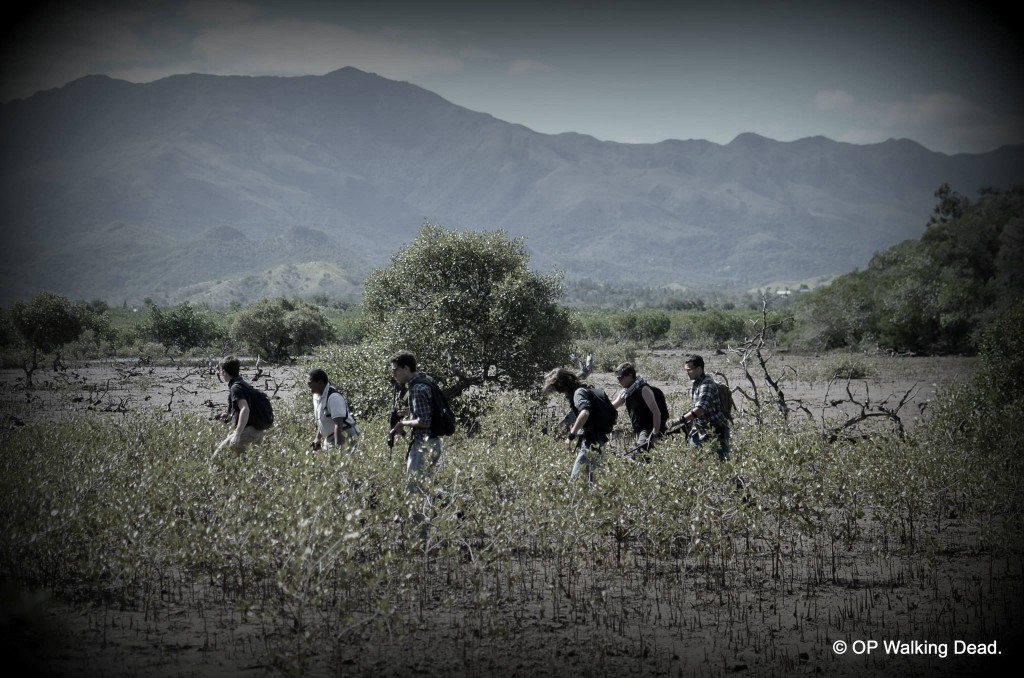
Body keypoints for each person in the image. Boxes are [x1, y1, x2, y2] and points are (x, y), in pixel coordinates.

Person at [388, 351, 443, 496]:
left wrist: (402, 423)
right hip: (432, 442)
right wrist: (408, 413)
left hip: (423, 445)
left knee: (413, 492)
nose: (394, 374)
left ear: (406, 368)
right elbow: (428, 411)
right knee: (426, 490)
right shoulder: (425, 380)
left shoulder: (417, 389)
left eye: (395, 369)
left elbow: (424, 421)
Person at [543, 367, 610, 483]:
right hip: (596, 441)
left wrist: (571, 435)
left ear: (561, 385)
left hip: (591, 442)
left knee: (576, 482)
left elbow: (585, 412)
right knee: (590, 481)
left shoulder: (578, 393)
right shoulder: (581, 390)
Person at [677, 354, 731, 460]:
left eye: (689, 370)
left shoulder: (707, 384)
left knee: (721, 465)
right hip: (700, 430)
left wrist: (680, 420)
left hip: (716, 431)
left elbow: (699, 410)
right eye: (686, 370)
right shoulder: (696, 384)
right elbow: (695, 409)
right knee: (695, 462)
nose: (687, 372)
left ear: (699, 369)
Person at [214, 355, 269, 454]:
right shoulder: (242, 383)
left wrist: (238, 434)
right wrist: (229, 417)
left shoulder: (236, 387)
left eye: (220, 370)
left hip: (248, 432)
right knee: (245, 464)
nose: (220, 373)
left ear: (224, 371)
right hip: (257, 431)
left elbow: (245, 409)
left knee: (219, 457)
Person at [611, 362, 665, 458]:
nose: (619, 381)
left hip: (649, 429)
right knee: (645, 459)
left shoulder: (643, 389)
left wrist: (655, 435)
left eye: (621, 377)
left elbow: (657, 413)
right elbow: (612, 406)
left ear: (630, 375)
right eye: (617, 378)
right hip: (638, 430)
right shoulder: (626, 392)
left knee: (638, 457)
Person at [308, 368, 360, 451]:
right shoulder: (316, 397)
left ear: (320, 383)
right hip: (330, 437)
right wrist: (317, 438)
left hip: (345, 435)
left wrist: (338, 447)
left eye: (310, 383)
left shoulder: (333, 398)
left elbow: (338, 424)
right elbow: (323, 419)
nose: (308, 385)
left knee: (340, 461)